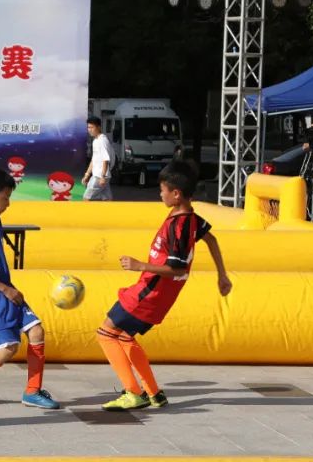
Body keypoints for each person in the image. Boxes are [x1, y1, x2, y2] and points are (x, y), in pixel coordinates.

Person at [97, 161, 231, 410]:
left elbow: (177, 268)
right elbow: (212, 240)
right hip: (157, 294)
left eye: (162, 190)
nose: (160, 194)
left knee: (105, 333)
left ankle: (133, 392)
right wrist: (222, 275)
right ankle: (154, 393)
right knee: (125, 336)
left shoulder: (179, 227)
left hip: (149, 293)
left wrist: (140, 265)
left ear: (176, 193)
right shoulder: (191, 219)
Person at [0, 168, 60, 410]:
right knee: (8, 349)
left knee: (36, 331)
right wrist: (5, 290)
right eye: (5, 197)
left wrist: (8, 288)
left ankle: (33, 391)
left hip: (7, 289)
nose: (8, 203)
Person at [82, 115, 114, 201]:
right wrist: (87, 174)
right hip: (101, 176)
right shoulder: (95, 140)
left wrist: (103, 177)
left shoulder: (102, 140)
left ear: (99, 127)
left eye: (92, 127)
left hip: (99, 176)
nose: (89, 130)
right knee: (107, 199)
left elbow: (105, 159)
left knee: (86, 198)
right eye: (88, 127)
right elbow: (94, 160)